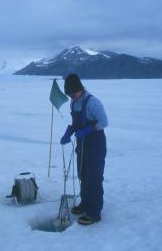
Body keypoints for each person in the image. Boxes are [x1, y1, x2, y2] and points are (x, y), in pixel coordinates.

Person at [60, 73, 108, 225]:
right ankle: (85, 203)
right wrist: (69, 132)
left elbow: (104, 122)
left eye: (73, 94)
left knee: (94, 177)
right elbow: (75, 122)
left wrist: (88, 130)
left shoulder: (93, 102)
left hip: (95, 144)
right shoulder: (74, 103)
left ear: (80, 89)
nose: (72, 98)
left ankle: (94, 212)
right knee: (83, 175)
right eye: (69, 96)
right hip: (82, 144)